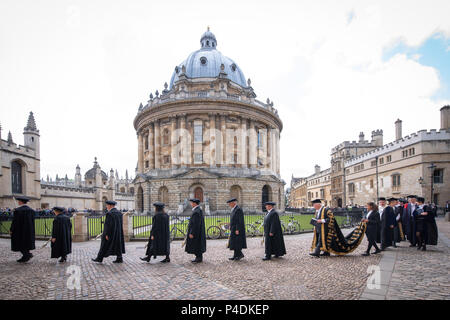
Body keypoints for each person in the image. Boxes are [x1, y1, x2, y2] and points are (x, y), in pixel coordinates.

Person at [10, 196, 36, 263]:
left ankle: (27, 255)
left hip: (20, 230)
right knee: (26, 243)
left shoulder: (18, 210)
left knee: (20, 243)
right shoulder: (31, 210)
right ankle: (26, 255)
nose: (18, 202)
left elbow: (15, 222)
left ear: (21, 202)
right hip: (29, 230)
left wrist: (11, 229)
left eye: (19, 201)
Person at [185, 198, 206, 263]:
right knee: (198, 244)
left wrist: (192, 232)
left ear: (194, 203)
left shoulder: (196, 212)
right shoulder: (198, 210)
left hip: (196, 232)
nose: (191, 204)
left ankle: (198, 257)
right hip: (198, 231)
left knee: (196, 244)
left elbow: (195, 224)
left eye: (192, 203)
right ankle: (199, 257)